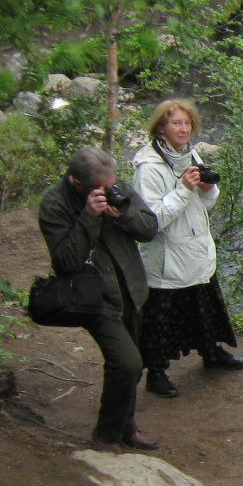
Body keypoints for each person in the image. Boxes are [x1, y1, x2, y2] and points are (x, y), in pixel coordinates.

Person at [37, 147, 160, 452]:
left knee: (132, 361)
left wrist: (125, 214)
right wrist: (89, 217)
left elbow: (149, 230)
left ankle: (126, 427)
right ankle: (106, 436)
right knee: (127, 363)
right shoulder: (54, 204)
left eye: (111, 183)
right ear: (76, 181)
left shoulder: (114, 186)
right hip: (95, 297)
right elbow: (65, 262)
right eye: (99, 188)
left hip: (131, 288)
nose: (108, 190)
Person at [130, 99, 243, 398]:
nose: (183, 129)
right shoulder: (149, 168)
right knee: (161, 319)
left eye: (186, 123)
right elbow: (152, 220)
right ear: (161, 128)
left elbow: (204, 204)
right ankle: (156, 373)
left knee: (204, 305)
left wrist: (208, 189)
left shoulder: (188, 153)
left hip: (195, 248)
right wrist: (183, 189)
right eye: (176, 123)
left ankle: (211, 352)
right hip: (167, 257)